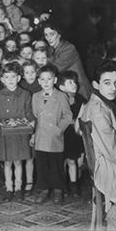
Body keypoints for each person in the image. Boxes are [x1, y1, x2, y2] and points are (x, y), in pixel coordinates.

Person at [76, 63, 116, 210]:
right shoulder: (99, 111)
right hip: (110, 168)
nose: (113, 88)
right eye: (107, 83)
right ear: (96, 85)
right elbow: (113, 152)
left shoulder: (96, 103)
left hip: (109, 162)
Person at [29, 64, 73, 203]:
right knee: (42, 165)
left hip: (55, 138)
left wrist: (58, 129)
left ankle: (58, 190)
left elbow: (68, 116)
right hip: (41, 137)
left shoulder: (61, 96)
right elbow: (36, 116)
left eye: (49, 79)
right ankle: (43, 189)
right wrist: (34, 134)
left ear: (55, 80)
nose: (46, 82)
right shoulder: (35, 96)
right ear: (39, 81)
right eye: (42, 79)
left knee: (56, 165)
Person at [0, 65, 34, 198]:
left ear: (19, 78)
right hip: (6, 134)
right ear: (2, 79)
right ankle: (9, 188)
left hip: (20, 133)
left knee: (19, 161)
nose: (10, 80)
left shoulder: (25, 94)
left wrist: (32, 120)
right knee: (7, 162)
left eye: (13, 77)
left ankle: (19, 188)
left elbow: (29, 111)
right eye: (7, 77)